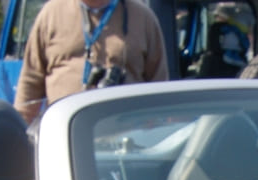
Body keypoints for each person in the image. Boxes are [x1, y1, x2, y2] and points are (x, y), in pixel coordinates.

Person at [14, 0, 167, 123]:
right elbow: (30, 83)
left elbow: (159, 89)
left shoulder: (142, 17)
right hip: (65, 140)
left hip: (127, 143)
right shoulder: (51, 14)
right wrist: (19, 134)